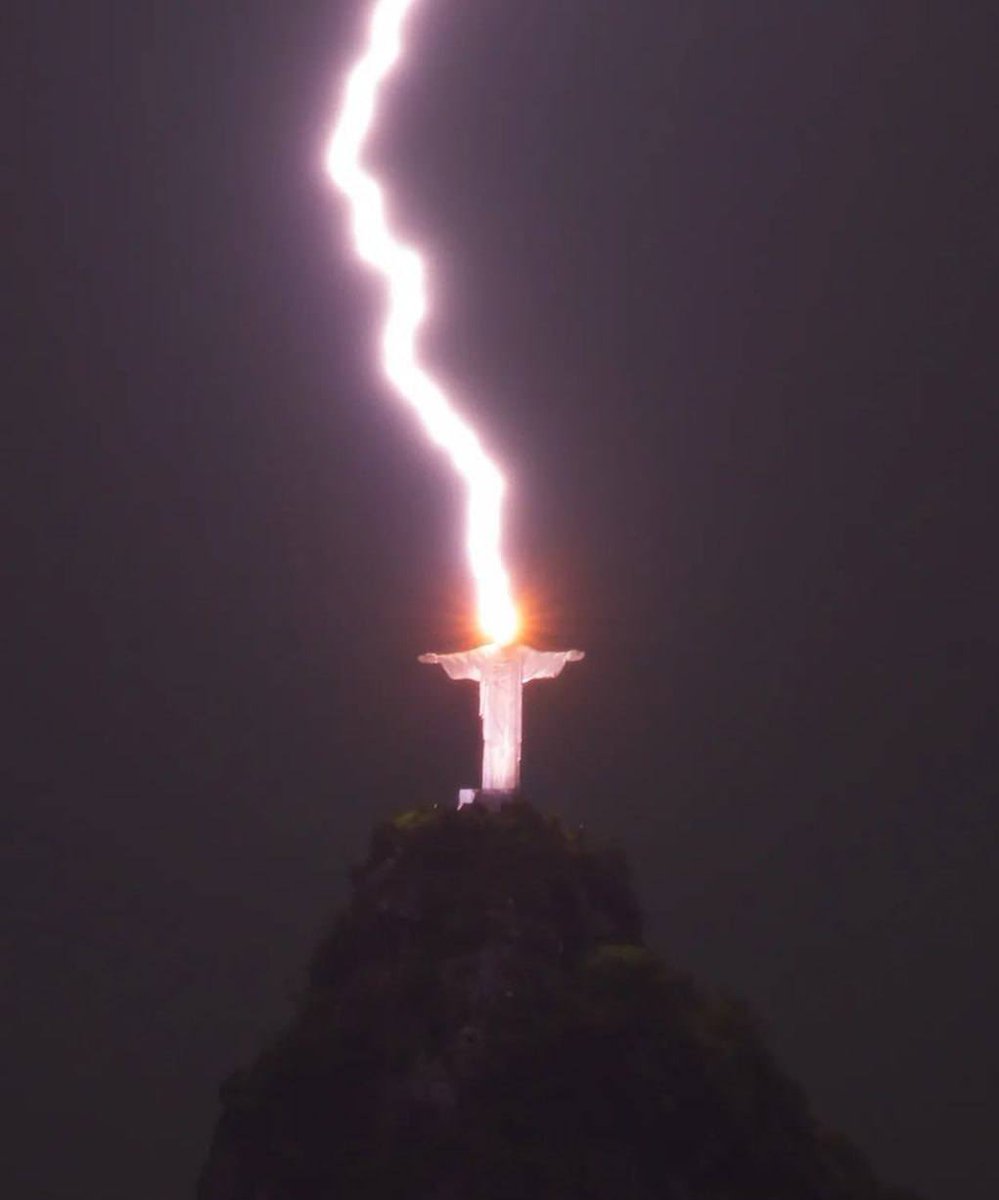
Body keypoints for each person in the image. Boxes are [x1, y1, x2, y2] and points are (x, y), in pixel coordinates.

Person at [419, 643, 584, 793]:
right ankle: (491, 785)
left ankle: (508, 785)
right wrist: (438, 659)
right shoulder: (486, 653)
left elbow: (543, 659)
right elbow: (463, 660)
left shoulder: (520, 653)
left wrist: (565, 656)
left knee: (509, 744)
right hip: (493, 708)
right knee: (492, 743)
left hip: (511, 709)